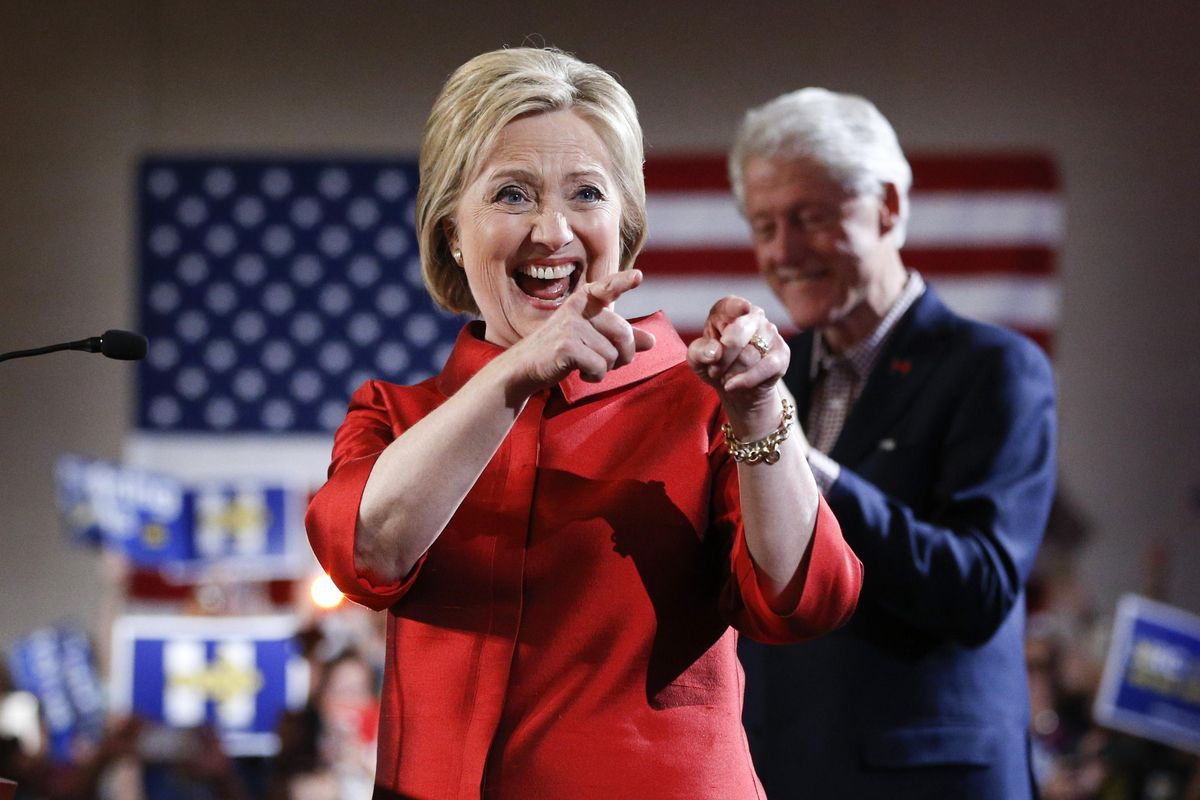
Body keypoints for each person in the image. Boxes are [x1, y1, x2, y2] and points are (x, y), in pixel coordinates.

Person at [305, 48, 862, 799]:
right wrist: (517, 371)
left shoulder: (700, 400)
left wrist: (761, 412)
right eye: (511, 194)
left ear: (624, 223)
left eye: (585, 194)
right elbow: (365, 553)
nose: (552, 231)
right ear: (450, 233)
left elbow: (805, 600)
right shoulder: (394, 417)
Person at [730, 88, 1057, 799]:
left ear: (887, 207)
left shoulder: (995, 370)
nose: (782, 252)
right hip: (776, 772)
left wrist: (804, 469)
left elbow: (980, 588)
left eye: (809, 218)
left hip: (927, 780)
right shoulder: (763, 381)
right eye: (764, 225)